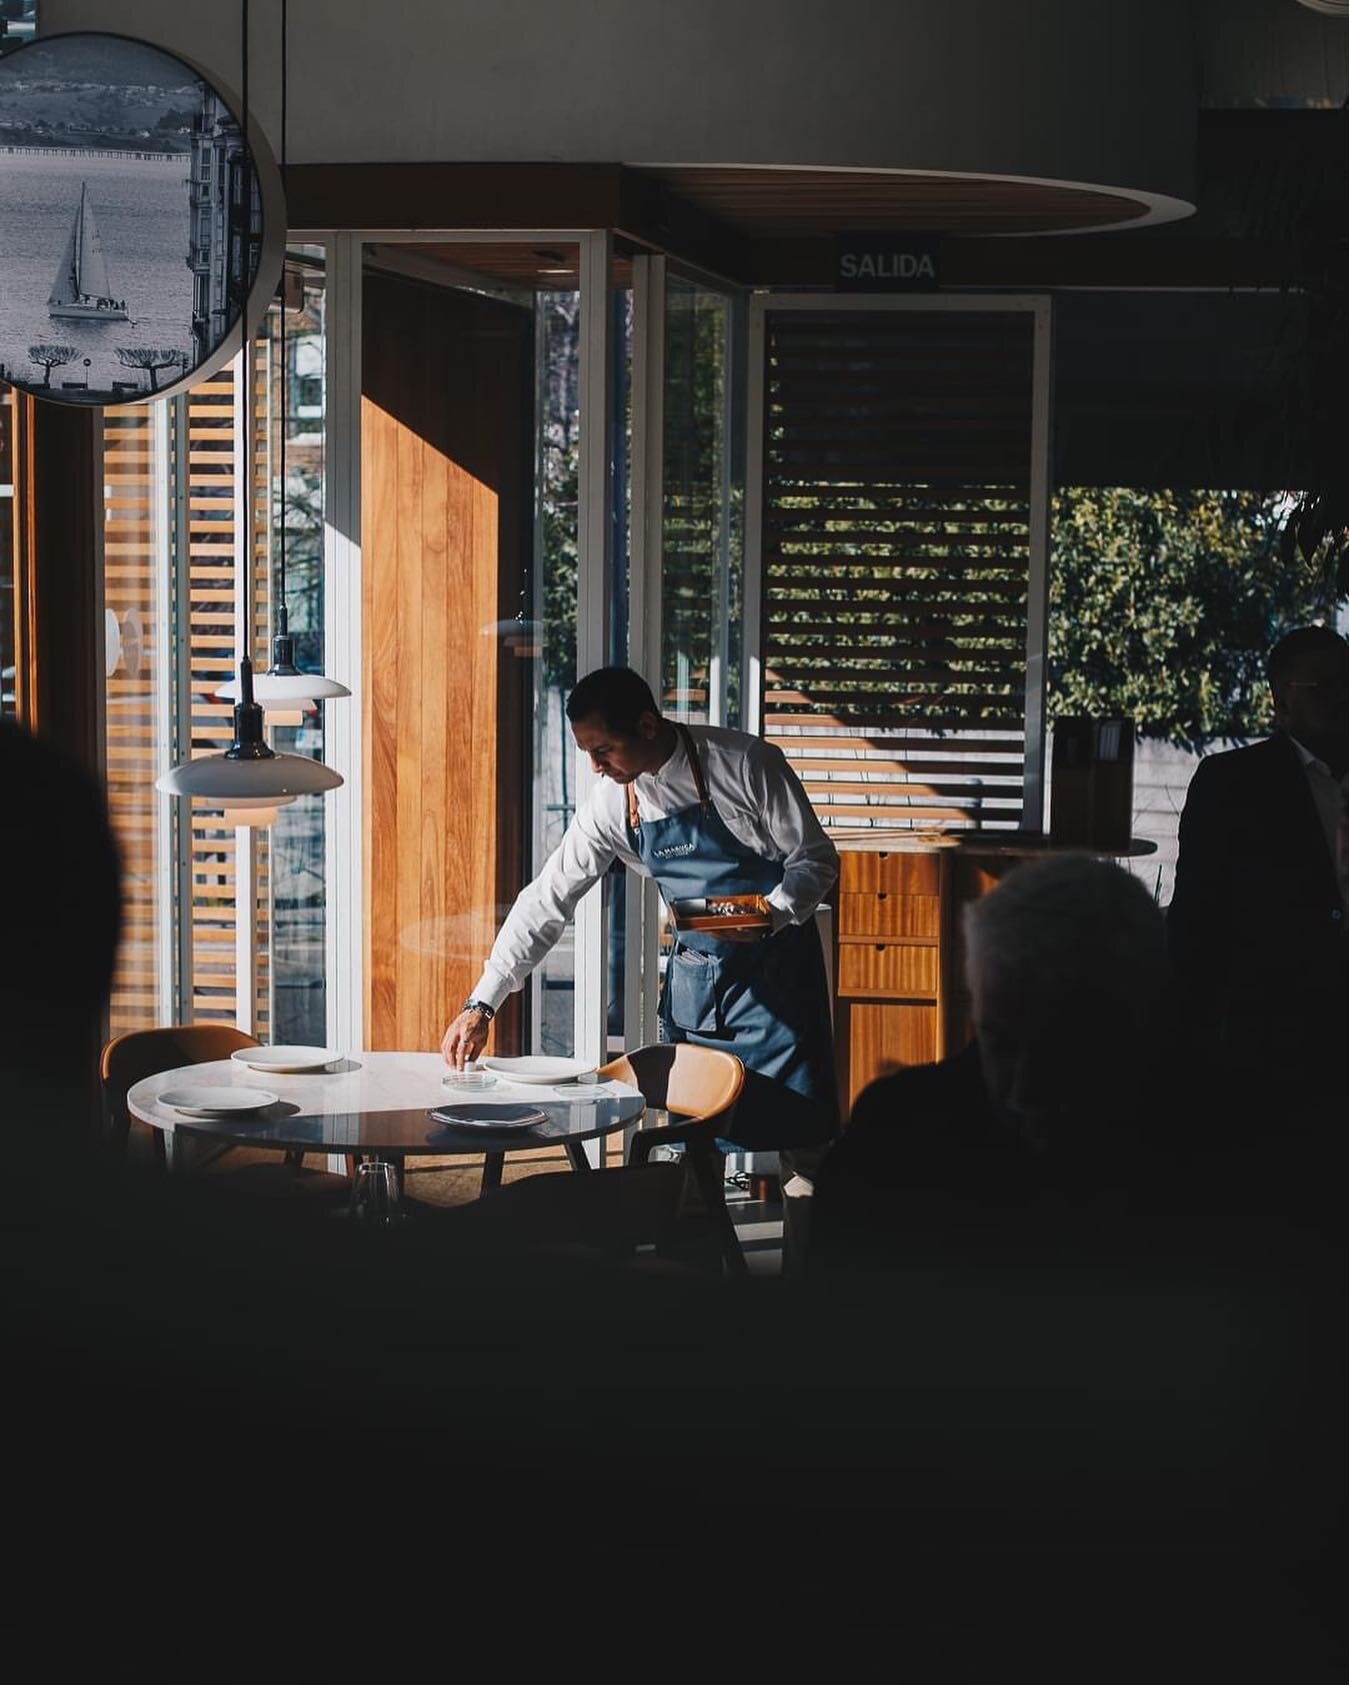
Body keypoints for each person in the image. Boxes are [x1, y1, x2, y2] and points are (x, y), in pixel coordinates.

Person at [441, 666, 840, 1166]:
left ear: (648, 727)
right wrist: (482, 1003)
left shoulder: (746, 764)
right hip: (701, 994)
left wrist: (772, 913)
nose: (593, 766)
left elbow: (817, 859)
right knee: (697, 1149)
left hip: (778, 989)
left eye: (603, 749)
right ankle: (699, 1245)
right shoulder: (612, 803)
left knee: (803, 1150)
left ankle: (813, 1244)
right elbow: (548, 897)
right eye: (586, 751)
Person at [811, 854, 1178, 1273]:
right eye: (999, 1042)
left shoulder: (1200, 1166)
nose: (1022, 1090)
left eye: (1057, 1056)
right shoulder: (894, 1135)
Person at [1167, 623, 1349, 1107]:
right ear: (1280, 703)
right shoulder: (1232, 784)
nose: (1342, 697)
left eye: (1348, 681)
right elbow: (1195, 921)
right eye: (1323, 687)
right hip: (1269, 1044)